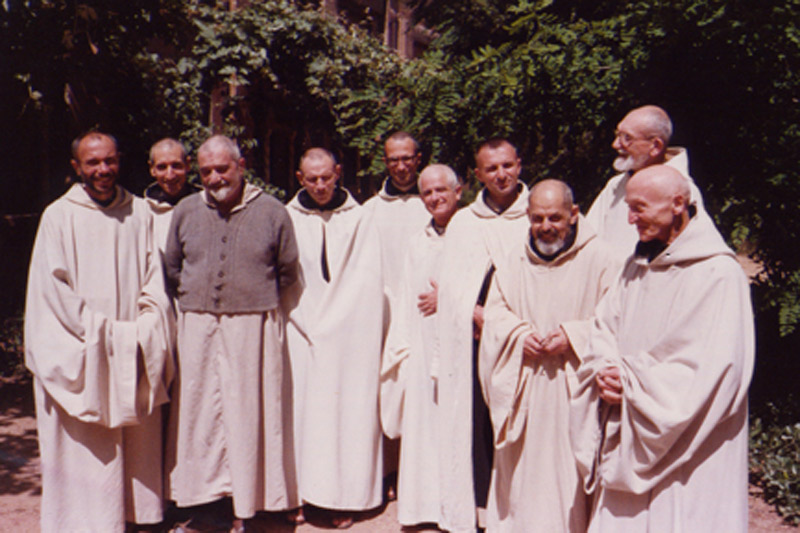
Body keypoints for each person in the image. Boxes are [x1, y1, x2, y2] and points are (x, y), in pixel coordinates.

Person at [570, 165, 754, 532]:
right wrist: (606, 371)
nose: (630, 218)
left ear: (677, 204)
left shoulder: (719, 275)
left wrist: (632, 385)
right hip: (630, 431)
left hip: (693, 447)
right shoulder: (636, 267)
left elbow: (714, 368)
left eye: (639, 208)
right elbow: (605, 327)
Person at [24, 131, 175, 532]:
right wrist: (102, 335)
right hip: (82, 350)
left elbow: (154, 282)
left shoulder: (140, 212)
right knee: (85, 452)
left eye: (109, 160)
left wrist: (141, 331)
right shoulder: (59, 216)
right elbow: (51, 293)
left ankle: (137, 516)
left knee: (136, 446)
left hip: (132, 348)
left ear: (120, 160)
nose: (103, 170)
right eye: (92, 163)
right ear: (77, 167)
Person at [164, 135, 300, 531]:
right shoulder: (187, 210)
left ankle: (249, 506)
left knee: (247, 414)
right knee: (200, 416)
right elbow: (173, 266)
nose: (214, 177)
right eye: (206, 171)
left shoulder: (273, 211)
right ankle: (205, 505)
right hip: (199, 324)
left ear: (241, 165)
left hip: (251, 325)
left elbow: (287, 268)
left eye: (222, 168)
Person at [478, 180, 620, 532]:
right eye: (538, 218)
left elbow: (617, 319)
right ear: (527, 216)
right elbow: (495, 314)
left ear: (573, 214)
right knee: (521, 477)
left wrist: (573, 336)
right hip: (524, 386)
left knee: (566, 475)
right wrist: (518, 335)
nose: (546, 227)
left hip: (573, 388)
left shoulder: (603, 258)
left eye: (555, 218)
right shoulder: (512, 261)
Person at [286, 148, 385, 528]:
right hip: (302, 329)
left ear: (338, 172)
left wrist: (338, 324)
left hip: (349, 336)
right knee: (303, 414)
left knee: (346, 413)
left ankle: (345, 496)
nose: (320, 185)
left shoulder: (361, 219)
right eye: (312, 179)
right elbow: (286, 276)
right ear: (299, 178)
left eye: (327, 177)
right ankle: (300, 495)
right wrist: (310, 322)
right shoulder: (288, 217)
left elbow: (367, 279)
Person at [435, 138, 530, 532]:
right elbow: (451, 285)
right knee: (477, 429)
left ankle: (519, 513)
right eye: (491, 169)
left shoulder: (536, 215)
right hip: (472, 341)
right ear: (477, 175)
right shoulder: (464, 223)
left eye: (507, 165)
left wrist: (500, 320)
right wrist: (469, 311)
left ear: (520, 165)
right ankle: (479, 513)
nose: (501, 174)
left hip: (518, 343)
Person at [380, 164, 462, 527]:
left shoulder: (473, 233)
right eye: (427, 193)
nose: (435, 198)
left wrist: (450, 298)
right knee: (424, 427)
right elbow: (404, 299)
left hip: (462, 349)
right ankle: (422, 508)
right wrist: (404, 350)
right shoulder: (418, 241)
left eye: (441, 190)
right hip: (423, 344)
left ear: (459, 191)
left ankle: (456, 510)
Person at [362, 131, 430, 500]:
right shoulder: (369, 210)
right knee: (383, 389)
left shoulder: (435, 203)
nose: (401, 166)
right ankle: (386, 470)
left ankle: (417, 472)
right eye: (393, 160)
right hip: (384, 314)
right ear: (384, 162)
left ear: (419, 159)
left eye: (408, 158)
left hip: (424, 311)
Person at [586, 105, 706, 256]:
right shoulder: (615, 185)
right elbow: (588, 239)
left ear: (655, 146)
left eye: (627, 138)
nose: (615, 144)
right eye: (617, 135)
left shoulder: (684, 191)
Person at [143, 138, 200, 252]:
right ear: (152, 169)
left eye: (176, 165)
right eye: (162, 167)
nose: (170, 175)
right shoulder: (143, 212)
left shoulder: (206, 205)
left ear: (188, 165)